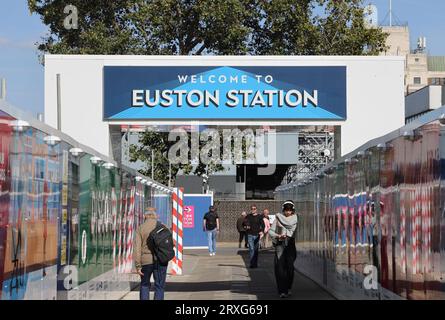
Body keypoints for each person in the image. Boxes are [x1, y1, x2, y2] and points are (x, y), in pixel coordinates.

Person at [133, 208, 168, 300]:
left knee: (144, 285)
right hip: (160, 261)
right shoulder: (162, 227)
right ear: (155, 216)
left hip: (146, 261)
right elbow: (169, 244)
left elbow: (137, 249)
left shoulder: (140, 228)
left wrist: (138, 265)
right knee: (159, 286)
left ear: (145, 216)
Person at [269, 200, 298, 298]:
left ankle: (288, 287)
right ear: (283, 210)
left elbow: (293, 230)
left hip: (290, 244)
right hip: (280, 244)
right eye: (286, 210)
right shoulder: (277, 219)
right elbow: (271, 231)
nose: (288, 212)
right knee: (280, 269)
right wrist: (278, 236)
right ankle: (282, 290)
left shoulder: (296, 219)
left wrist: (286, 235)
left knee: (290, 269)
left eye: (289, 210)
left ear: (292, 211)